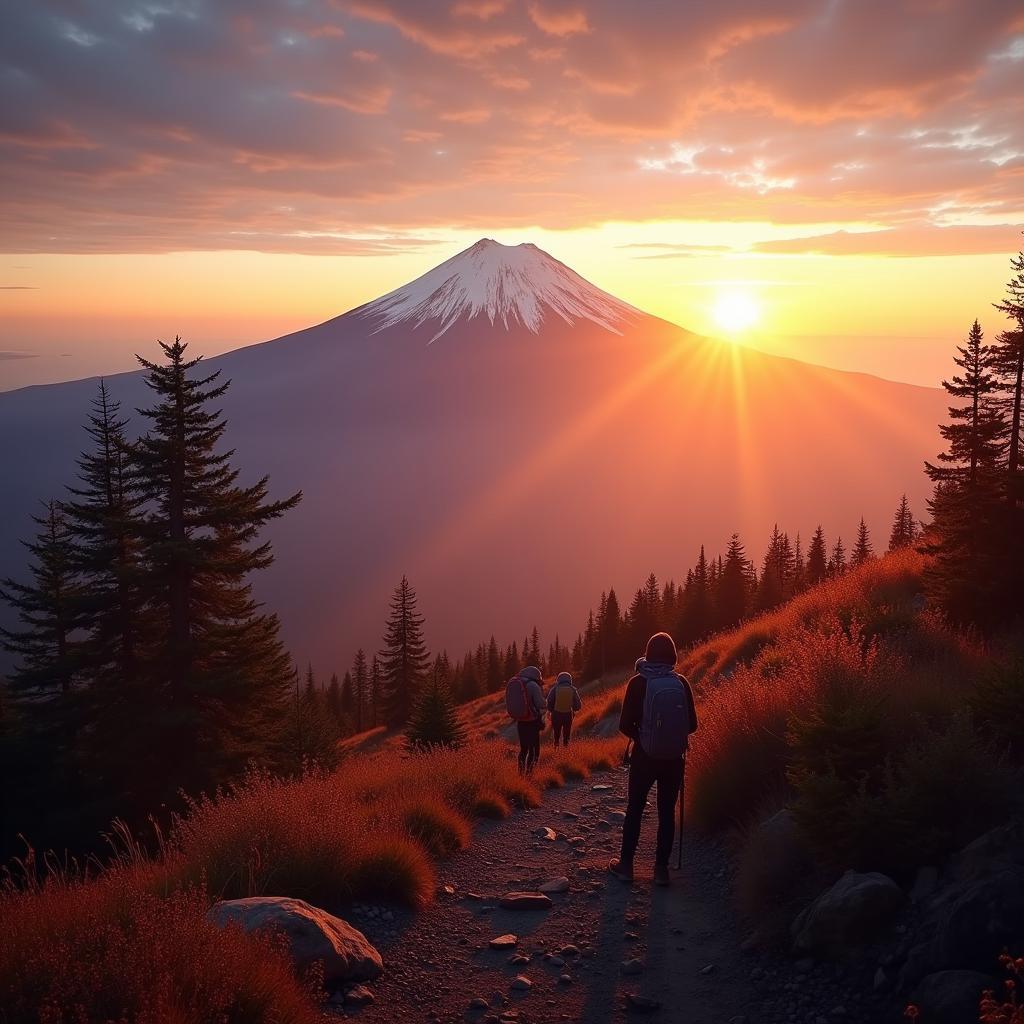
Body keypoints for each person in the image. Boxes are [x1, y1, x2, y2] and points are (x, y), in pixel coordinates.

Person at [608, 632, 697, 887]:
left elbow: (625, 725)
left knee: (635, 808)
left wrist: (644, 737)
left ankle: (626, 866)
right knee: (666, 812)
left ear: (648, 653)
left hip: (644, 758)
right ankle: (661, 870)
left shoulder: (638, 683)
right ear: (672, 655)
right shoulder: (681, 682)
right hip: (674, 759)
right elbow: (692, 725)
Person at [514, 665, 546, 774]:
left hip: (520, 721)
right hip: (532, 722)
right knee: (534, 750)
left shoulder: (518, 683)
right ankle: (529, 774)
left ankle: (520, 774)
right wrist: (546, 702)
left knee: (524, 749)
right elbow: (541, 704)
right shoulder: (533, 685)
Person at [547, 671, 582, 747]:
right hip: (568, 715)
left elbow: (549, 701)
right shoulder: (573, 689)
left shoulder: (554, 689)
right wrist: (575, 709)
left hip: (556, 715)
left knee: (556, 735)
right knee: (566, 735)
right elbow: (578, 705)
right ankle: (565, 749)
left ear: (558, 679)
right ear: (570, 680)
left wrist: (550, 710)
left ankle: (556, 749)